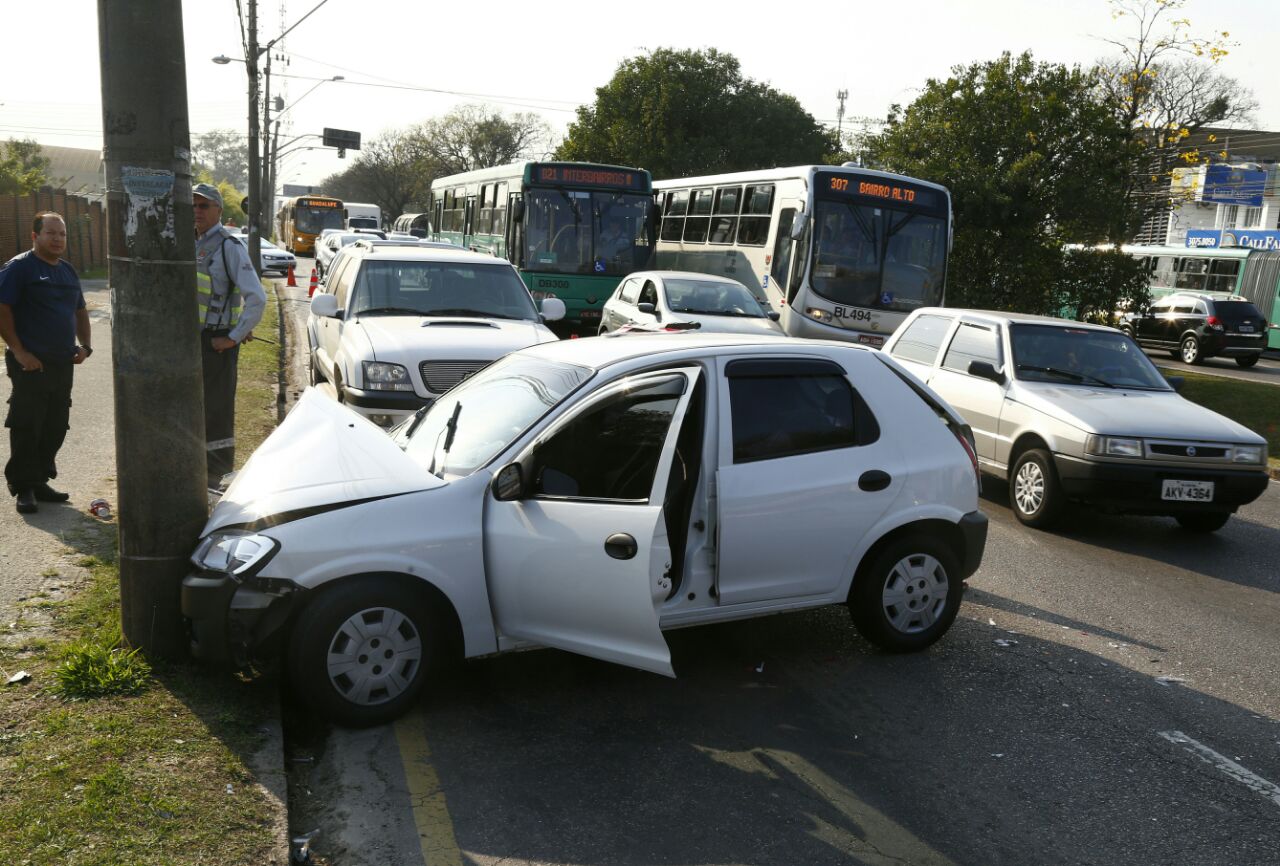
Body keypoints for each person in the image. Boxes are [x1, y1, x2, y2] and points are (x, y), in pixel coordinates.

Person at [0, 212, 92, 514]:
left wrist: (86, 346)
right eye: (51, 233)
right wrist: (18, 351)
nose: (57, 239)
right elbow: (3, 309)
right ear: (34, 235)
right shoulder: (19, 268)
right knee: (28, 423)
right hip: (31, 362)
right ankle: (24, 487)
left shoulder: (67, 271)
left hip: (62, 361)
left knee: (55, 424)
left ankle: (39, 479)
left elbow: (80, 311)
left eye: (62, 234)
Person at [194, 182, 266, 491]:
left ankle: (218, 477)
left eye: (203, 206)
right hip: (191, 342)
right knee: (193, 409)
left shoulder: (228, 246)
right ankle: (197, 474)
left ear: (219, 211)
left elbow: (257, 299)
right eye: (193, 206)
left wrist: (234, 337)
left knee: (217, 412)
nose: (196, 211)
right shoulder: (189, 243)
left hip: (216, 344)